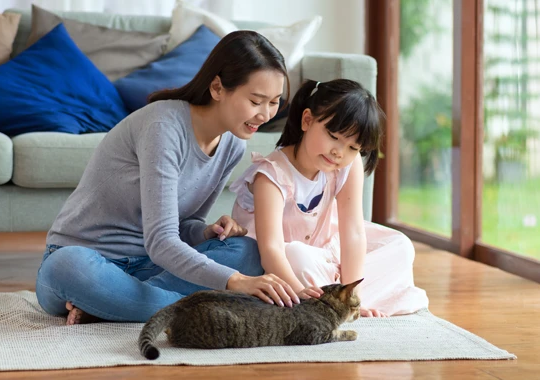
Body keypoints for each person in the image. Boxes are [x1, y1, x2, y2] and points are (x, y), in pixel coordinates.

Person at [36, 30, 302, 325]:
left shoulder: (233, 146)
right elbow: (161, 241)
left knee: (248, 252)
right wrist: (234, 283)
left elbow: (181, 226)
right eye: (256, 101)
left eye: (274, 102)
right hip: (88, 260)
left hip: (150, 268)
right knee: (68, 267)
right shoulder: (163, 126)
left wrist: (206, 232)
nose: (265, 114)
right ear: (217, 88)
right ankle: (195, 305)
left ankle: (114, 306)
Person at [230, 79, 429, 317]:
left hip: (325, 249)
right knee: (297, 256)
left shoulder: (347, 164)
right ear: (307, 120)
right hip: (280, 265)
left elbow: (353, 231)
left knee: (400, 246)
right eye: (333, 136)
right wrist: (299, 291)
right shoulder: (271, 175)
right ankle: (316, 301)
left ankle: (342, 301)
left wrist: (352, 295)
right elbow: (271, 249)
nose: (339, 152)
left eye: (353, 147)